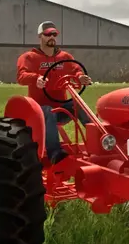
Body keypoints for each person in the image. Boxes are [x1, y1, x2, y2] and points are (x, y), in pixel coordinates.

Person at [16, 21, 93, 164]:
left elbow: (75, 70)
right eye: (47, 34)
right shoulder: (29, 57)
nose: (51, 37)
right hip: (39, 111)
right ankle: (55, 153)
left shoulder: (64, 57)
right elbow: (21, 76)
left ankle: (100, 141)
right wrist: (35, 78)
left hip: (61, 108)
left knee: (78, 103)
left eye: (54, 34)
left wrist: (80, 77)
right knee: (48, 110)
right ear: (40, 36)